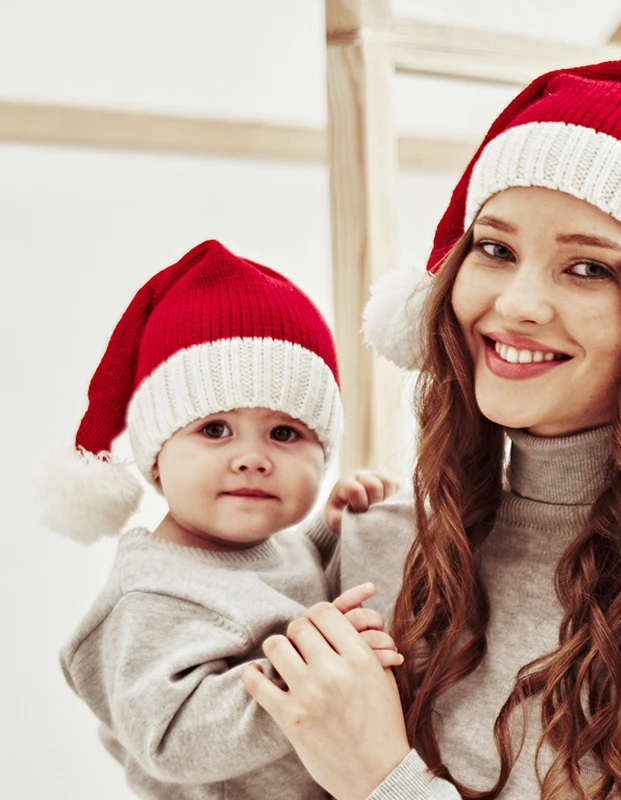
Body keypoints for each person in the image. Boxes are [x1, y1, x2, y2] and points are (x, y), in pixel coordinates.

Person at [241, 60, 621, 799]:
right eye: (496, 250)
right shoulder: (376, 544)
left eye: (588, 269)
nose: (519, 303)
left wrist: (384, 780)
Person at [46, 240, 402, 800]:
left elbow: (286, 572)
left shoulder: (274, 544)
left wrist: (332, 529)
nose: (252, 457)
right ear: (157, 453)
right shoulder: (151, 595)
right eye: (215, 430)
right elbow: (168, 738)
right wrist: (306, 675)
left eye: (285, 434)